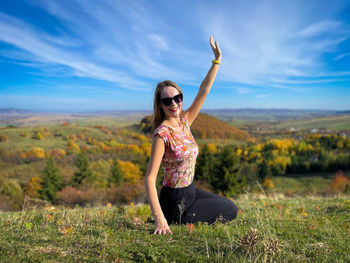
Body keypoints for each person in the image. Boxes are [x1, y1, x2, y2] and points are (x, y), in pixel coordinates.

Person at [144, 36, 238, 235]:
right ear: (160, 104)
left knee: (228, 205)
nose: (174, 104)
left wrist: (217, 60)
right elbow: (150, 178)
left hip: (191, 191)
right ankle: (172, 218)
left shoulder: (185, 122)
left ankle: (176, 216)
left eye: (177, 98)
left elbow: (203, 91)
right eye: (167, 100)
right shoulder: (161, 134)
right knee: (230, 211)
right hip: (174, 200)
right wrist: (159, 219)